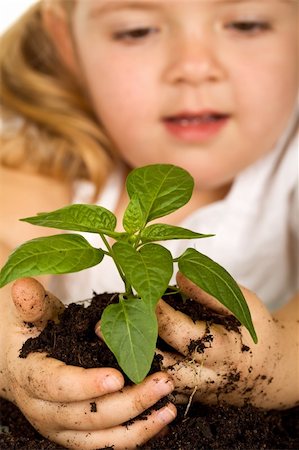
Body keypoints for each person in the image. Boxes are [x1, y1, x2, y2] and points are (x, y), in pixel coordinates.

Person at [0, 0, 298, 448]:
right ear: (67, 42)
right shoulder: (45, 147)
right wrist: (8, 356)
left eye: (246, 23)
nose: (194, 67)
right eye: (137, 31)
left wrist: (282, 360)